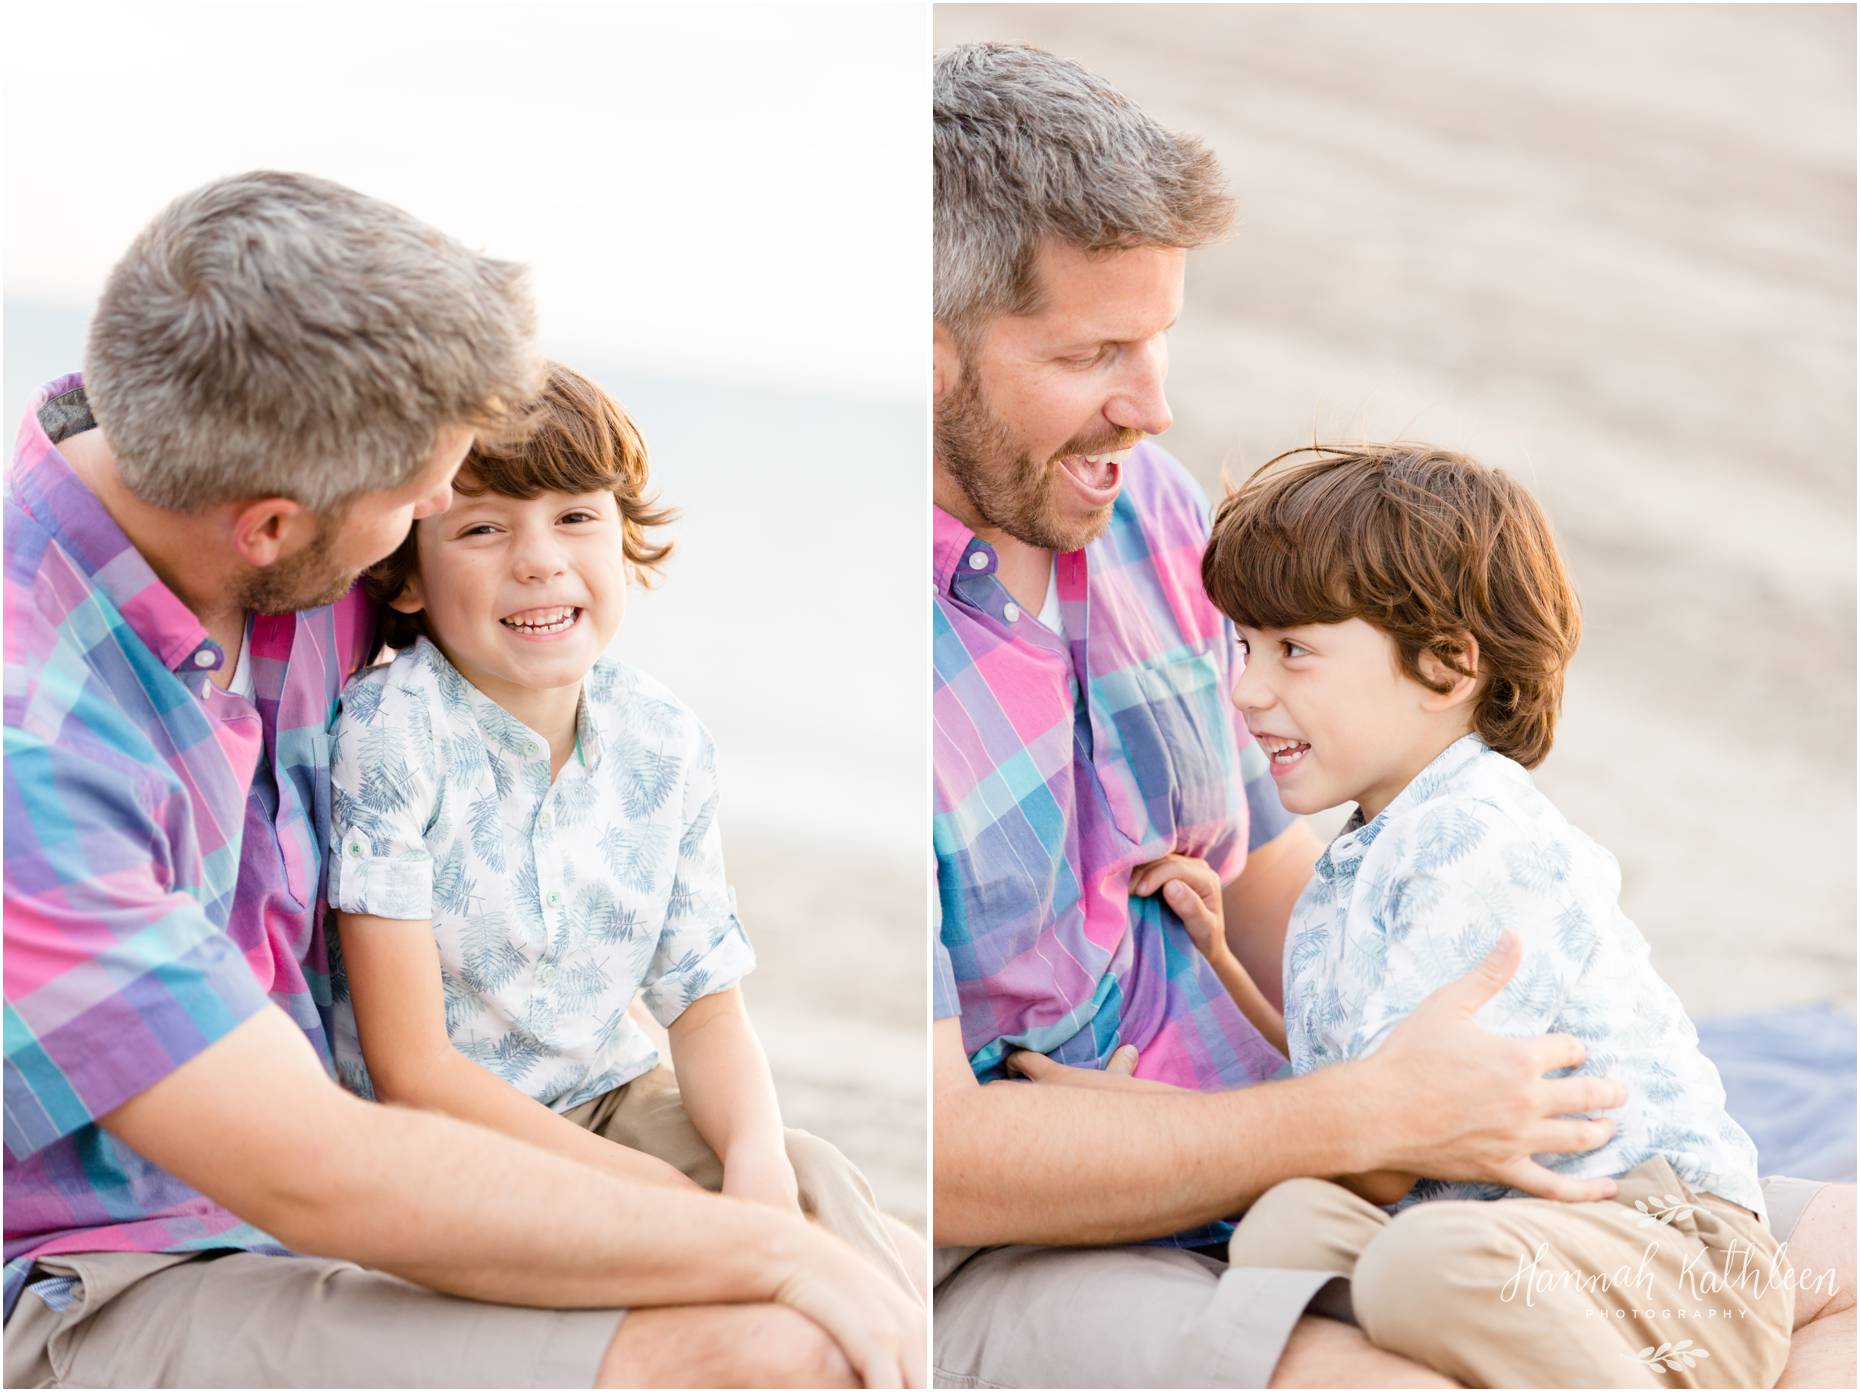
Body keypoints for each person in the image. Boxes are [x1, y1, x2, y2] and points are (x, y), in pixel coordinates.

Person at [929, 42, 1853, 1390]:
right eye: (1095, 352)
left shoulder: (1152, 516)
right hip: (1055, 1238)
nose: (1154, 403)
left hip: (1340, 1155)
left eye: (1160, 338)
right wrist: (1354, 1114)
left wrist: (1462, 1067)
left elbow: (1272, 873)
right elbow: (945, 1155)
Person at [4, 171, 924, 1389]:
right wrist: (751, 1251)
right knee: (766, 1349)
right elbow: (307, 1165)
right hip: (122, 1268)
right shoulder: (35, 749)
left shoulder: (260, 512)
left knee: (862, 1243)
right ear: (271, 528)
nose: (446, 506)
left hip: (340, 1182)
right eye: (423, 501)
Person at [1141, 442, 1788, 1387]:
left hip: (1664, 1244)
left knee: (1416, 1265)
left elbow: (1384, 1138)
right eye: (1243, 646)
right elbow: (1360, 1083)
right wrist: (1220, 963)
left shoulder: (1473, 839)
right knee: (1288, 1228)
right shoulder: (1370, 849)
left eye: (1295, 650)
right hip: (1513, 1229)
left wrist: (1155, 1130)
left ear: (1447, 666)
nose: (1247, 689)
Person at [328, 362, 918, 1293]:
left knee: (814, 1178)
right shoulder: (390, 734)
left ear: (624, 541)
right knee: (689, 1273)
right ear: (406, 577)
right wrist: (656, 1195)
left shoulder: (664, 742)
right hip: (451, 1145)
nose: (539, 560)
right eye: (483, 529)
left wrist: (756, 1166)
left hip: (611, 1097)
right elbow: (413, 1071)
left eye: (576, 518)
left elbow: (703, 1000)